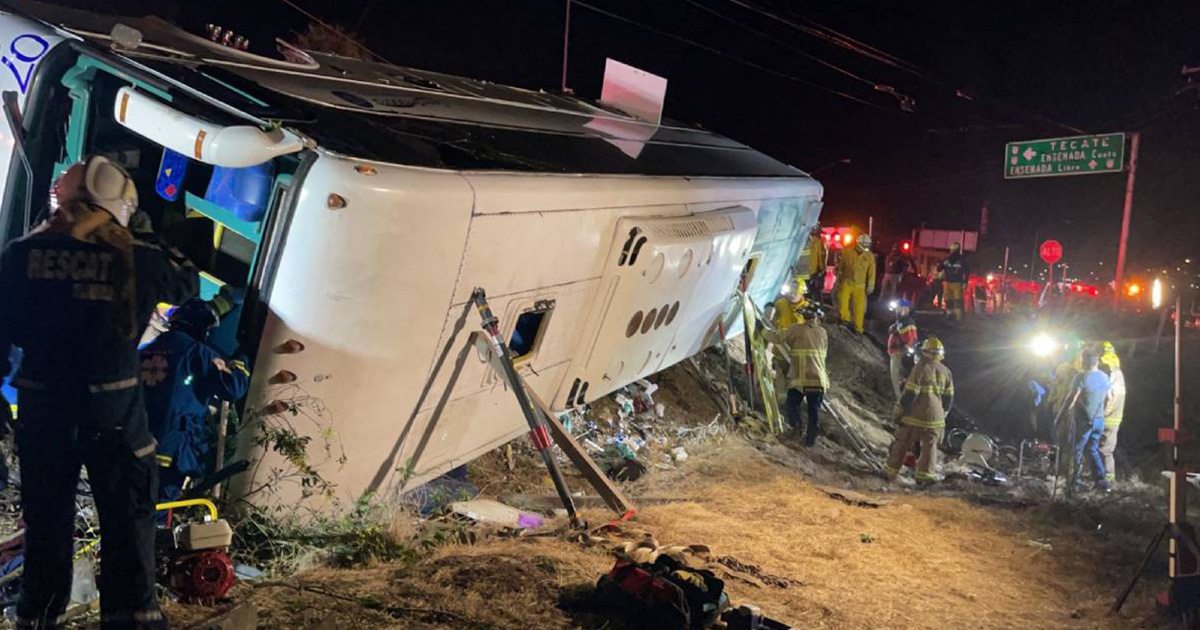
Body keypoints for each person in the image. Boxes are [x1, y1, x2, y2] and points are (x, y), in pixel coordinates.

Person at [0, 156, 198, 629]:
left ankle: (37, 616)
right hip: (113, 413)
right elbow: (186, 280)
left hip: (43, 410)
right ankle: (131, 619)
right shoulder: (137, 255)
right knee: (128, 520)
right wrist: (147, 233)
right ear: (121, 207)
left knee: (47, 523)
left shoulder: (21, 254)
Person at [141, 294, 250, 502]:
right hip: (171, 450)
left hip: (137, 445)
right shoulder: (198, 352)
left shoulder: (146, 350)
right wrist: (241, 359)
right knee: (157, 515)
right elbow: (233, 388)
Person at [883, 336, 954, 485]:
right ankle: (925, 477)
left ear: (925, 352)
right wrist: (944, 413)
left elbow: (910, 394)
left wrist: (899, 410)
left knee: (902, 441)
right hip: (937, 419)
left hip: (916, 415)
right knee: (930, 447)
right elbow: (948, 398)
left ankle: (890, 472)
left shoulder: (920, 368)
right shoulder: (946, 371)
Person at [770, 313, 828, 446]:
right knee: (814, 410)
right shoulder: (823, 332)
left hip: (801, 378)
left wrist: (761, 329)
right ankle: (810, 440)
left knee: (792, 404)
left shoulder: (796, 329)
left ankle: (796, 429)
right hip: (818, 378)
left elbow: (777, 337)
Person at [1069, 349, 1112, 492]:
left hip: (1084, 421)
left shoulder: (1080, 377)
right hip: (1098, 420)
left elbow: (1072, 398)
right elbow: (1109, 398)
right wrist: (1100, 414)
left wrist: (1062, 415)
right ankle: (1102, 483)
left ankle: (1073, 483)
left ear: (1084, 361)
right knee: (1092, 449)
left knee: (1076, 450)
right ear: (1097, 362)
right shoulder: (1105, 377)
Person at [835, 234, 876, 334]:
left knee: (859, 307)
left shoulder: (869, 256)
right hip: (847, 282)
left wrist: (871, 285)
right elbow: (841, 267)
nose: (866, 247)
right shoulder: (848, 252)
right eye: (865, 245)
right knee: (843, 301)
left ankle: (858, 328)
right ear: (859, 244)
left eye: (868, 246)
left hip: (860, 285)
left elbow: (872, 272)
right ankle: (845, 320)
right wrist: (839, 279)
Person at [1098, 341, 1125, 486]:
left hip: (1105, 418)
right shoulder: (1118, 373)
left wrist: (1102, 415)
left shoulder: (1106, 370)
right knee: (1107, 451)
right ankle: (1108, 480)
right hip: (1116, 418)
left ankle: (1105, 481)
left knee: (1099, 451)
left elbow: (1109, 397)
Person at [885, 298, 918, 399]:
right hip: (897, 353)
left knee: (898, 379)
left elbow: (911, 341)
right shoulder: (901, 322)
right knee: (897, 379)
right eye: (897, 308)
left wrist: (905, 354)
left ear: (907, 309)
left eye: (900, 308)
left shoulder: (907, 323)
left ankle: (902, 403)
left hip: (899, 355)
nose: (897, 310)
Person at [937, 242, 969, 320]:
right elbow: (967, 272)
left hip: (950, 282)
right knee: (955, 300)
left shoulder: (948, 259)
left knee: (951, 299)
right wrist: (965, 282)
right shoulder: (961, 260)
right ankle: (956, 316)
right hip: (955, 283)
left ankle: (952, 315)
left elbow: (939, 268)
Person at [805, 225, 828, 299]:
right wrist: (821, 270)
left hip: (808, 273)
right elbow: (820, 257)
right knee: (814, 293)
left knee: (808, 293)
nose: (819, 234)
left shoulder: (815, 241)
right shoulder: (816, 242)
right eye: (818, 232)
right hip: (811, 273)